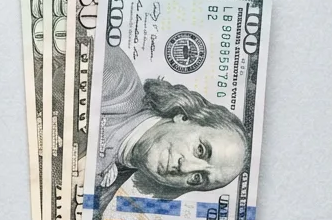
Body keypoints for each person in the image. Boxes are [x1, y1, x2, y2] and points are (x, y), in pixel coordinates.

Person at [92, 43, 250, 211]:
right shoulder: (116, 79)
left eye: (198, 178)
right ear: (184, 117)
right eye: (200, 150)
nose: (185, 168)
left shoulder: (102, 200)